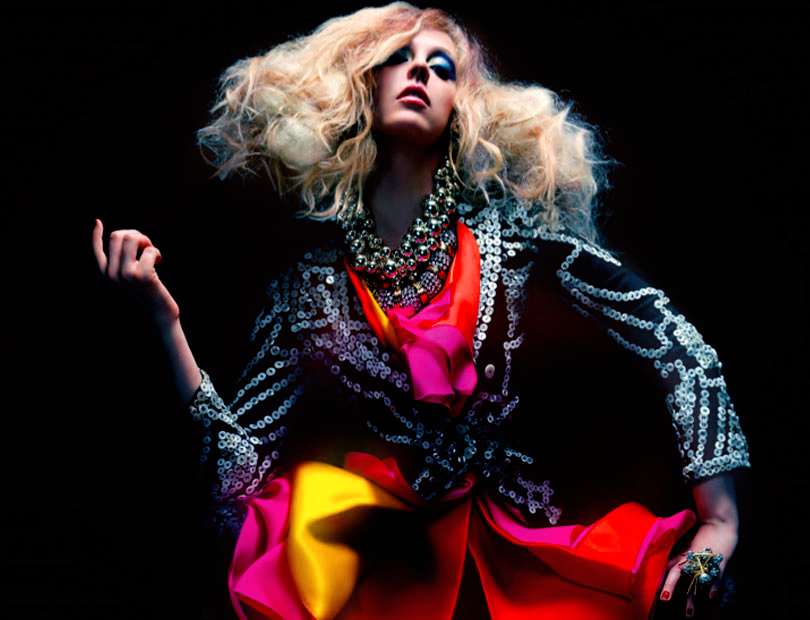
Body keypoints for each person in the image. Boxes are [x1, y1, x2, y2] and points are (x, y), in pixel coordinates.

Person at [92, 3, 749, 618]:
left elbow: (680, 349)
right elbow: (235, 489)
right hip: (388, 581)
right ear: (359, 86)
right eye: (398, 58)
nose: (420, 73)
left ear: (462, 106)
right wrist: (163, 323)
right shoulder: (308, 289)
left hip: (533, 571)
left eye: (442, 67)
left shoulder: (520, 246)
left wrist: (720, 524)